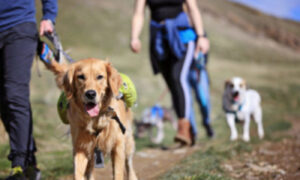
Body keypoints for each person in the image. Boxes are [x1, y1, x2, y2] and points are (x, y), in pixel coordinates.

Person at [131, 0, 209, 146]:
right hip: (159, 38)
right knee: (173, 86)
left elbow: (193, 9)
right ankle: (189, 131)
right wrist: (135, 37)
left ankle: (183, 129)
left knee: (178, 78)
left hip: (183, 37)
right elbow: (138, 14)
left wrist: (201, 36)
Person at [0, 0, 58, 179]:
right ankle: (29, 159)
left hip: (19, 24)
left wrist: (48, 16)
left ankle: (20, 165)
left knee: (14, 94)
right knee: (3, 98)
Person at [188, 52, 214, 140]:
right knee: (187, 103)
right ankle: (193, 132)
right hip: (182, 70)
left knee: (204, 101)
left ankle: (207, 122)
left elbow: (205, 45)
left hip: (198, 69)